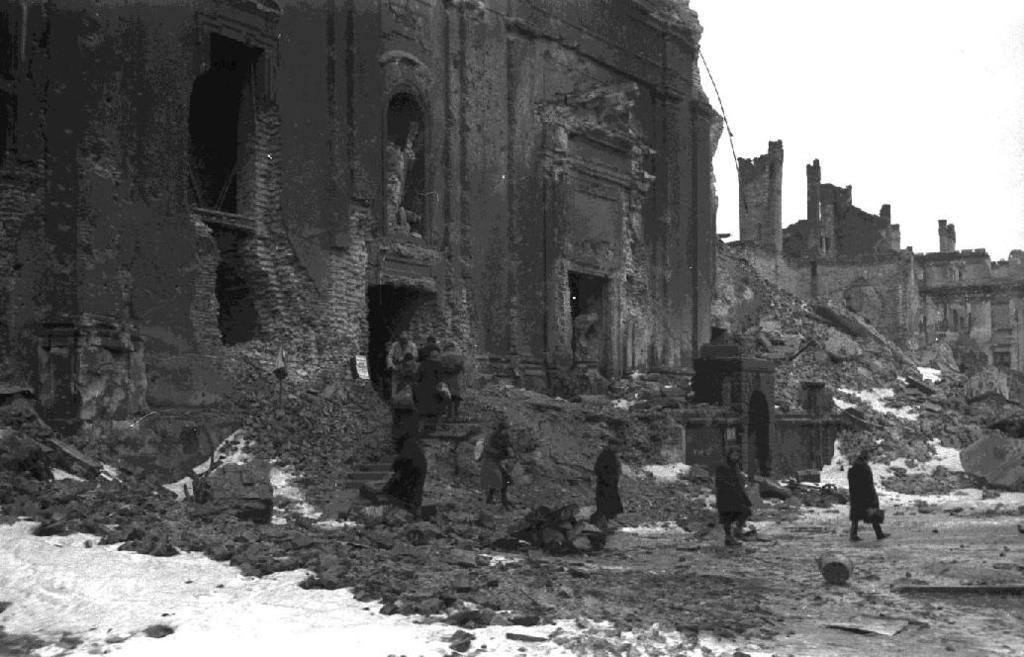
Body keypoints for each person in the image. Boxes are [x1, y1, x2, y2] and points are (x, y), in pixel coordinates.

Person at [715, 445, 753, 547]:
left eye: (738, 455)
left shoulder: (735, 465)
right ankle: (728, 538)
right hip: (725, 495)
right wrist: (730, 484)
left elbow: (738, 479)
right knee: (727, 516)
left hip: (736, 494)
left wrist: (744, 495)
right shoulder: (722, 465)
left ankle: (738, 531)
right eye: (734, 454)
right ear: (729, 454)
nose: (736, 457)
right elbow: (719, 481)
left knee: (746, 511)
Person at [848, 449, 890, 541]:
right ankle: (879, 534)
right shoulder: (865, 468)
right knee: (873, 513)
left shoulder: (853, 468)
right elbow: (868, 483)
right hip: (866, 495)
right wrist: (872, 496)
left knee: (856, 516)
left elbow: (852, 484)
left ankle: (853, 534)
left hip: (856, 496)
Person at [382, 432, 427, 515]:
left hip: (412, 469)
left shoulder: (408, 449)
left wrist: (398, 474)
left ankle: (409, 508)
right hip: (413, 468)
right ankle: (412, 508)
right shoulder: (411, 447)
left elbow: (403, 460)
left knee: (393, 489)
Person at [480, 419, 515, 510]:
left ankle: (496, 499)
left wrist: (509, 451)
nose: (507, 431)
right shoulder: (493, 436)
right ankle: (502, 501)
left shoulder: (506, 436)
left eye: (507, 429)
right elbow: (487, 447)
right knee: (498, 480)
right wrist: (497, 453)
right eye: (505, 429)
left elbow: (509, 445)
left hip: (500, 460)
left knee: (505, 480)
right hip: (491, 460)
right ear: (501, 429)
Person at [591, 435, 624, 528]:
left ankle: (607, 522)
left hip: (611, 485)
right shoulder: (605, 455)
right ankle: (601, 523)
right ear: (610, 445)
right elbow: (598, 469)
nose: (617, 448)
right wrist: (606, 479)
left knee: (610, 505)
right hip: (605, 485)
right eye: (615, 445)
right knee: (605, 505)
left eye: (618, 446)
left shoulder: (612, 456)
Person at [390, 353, 420, 452]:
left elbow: (395, 385)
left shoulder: (399, 371)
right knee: (409, 425)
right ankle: (406, 446)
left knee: (399, 425)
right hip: (408, 404)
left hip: (400, 403)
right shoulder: (413, 372)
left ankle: (399, 446)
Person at [414, 342, 446, 432]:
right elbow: (441, 378)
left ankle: (421, 428)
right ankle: (436, 427)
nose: (437, 357)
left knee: (424, 410)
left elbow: (417, 378)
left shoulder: (423, 365)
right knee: (437, 409)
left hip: (426, 389)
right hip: (432, 389)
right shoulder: (437, 365)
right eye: (435, 356)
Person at [385, 331, 418, 399]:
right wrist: (391, 365)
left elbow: (415, 356)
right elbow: (389, 356)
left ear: (408, 339)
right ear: (399, 339)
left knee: (408, 385)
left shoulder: (412, 345)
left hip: (408, 369)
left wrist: (407, 360)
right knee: (395, 384)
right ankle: (394, 400)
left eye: (405, 339)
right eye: (402, 339)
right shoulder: (395, 345)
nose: (403, 341)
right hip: (397, 368)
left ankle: (409, 400)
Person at [439, 342, 465, 420]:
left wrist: (447, 371)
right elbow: (461, 367)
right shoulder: (459, 355)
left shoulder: (442, 356)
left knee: (447, 395)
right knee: (456, 395)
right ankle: (456, 413)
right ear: (453, 347)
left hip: (445, 377)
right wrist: (455, 371)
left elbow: (440, 367)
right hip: (456, 378)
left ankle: (449, 414)